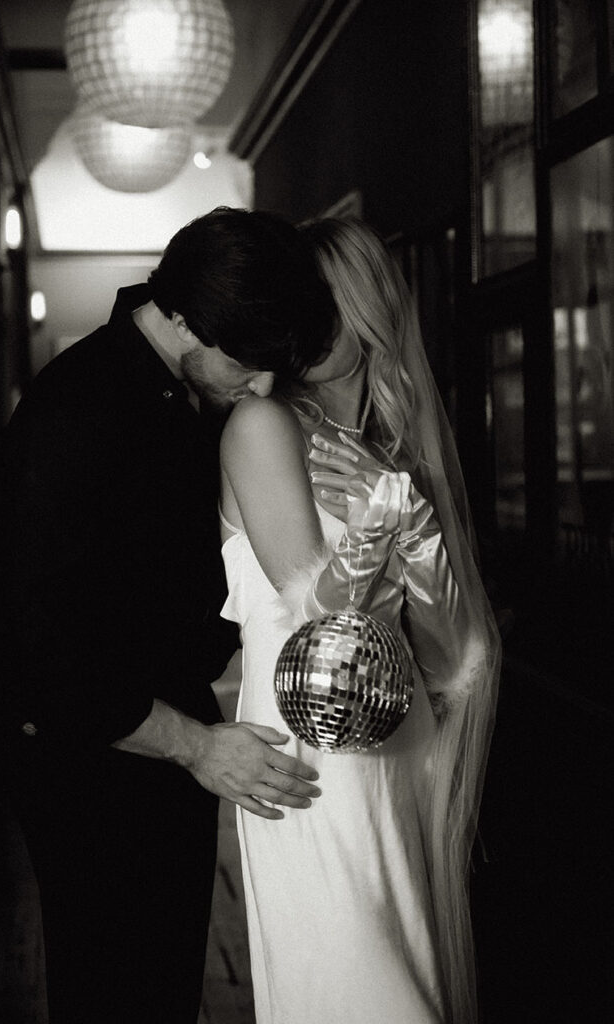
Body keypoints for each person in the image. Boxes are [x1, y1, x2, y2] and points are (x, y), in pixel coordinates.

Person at [0, 207, 336, 1024]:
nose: (258, 388)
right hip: (99, 764)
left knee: (162, 990)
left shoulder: (177, 390)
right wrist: (198, 746)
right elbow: (40, 658)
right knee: (114, 992)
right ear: (183, 318)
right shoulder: (75, 414)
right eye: (248, 363)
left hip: (163, 751)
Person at [219, 217, 501, 1024]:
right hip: (314, 754)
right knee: (357, 991)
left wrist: (409, 515)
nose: (297, 324)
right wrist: (387, 513)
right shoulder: (259, 426)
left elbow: (455, 660)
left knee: (409, 982)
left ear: (365, 307)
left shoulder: (392, 447)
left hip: (399, 749)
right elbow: (323, 623)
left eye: (318, 302)